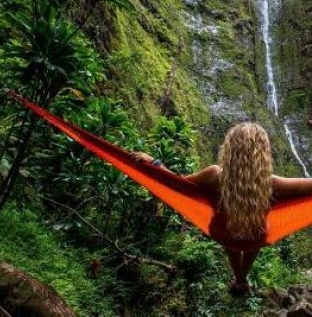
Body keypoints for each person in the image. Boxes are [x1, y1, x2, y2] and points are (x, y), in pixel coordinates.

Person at [132, 122, 312, 295]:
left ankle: (239, 279)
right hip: (256, 238)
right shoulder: (273, 184)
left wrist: (154, 162)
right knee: (256, 229)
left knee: (230, 225)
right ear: (263, 154)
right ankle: (242, 278)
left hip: (224, 234)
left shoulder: (214, 176)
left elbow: (177, 183)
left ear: (230, 150)